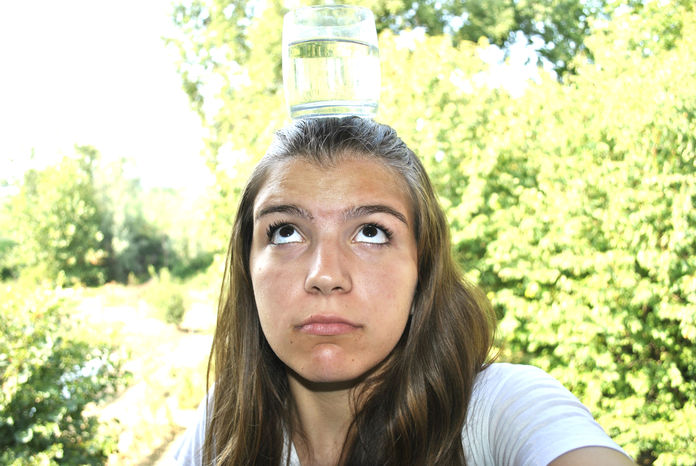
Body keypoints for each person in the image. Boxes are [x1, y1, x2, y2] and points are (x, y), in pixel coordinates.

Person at [173, 117, 634, 465]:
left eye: (371, 232)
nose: (326, 274)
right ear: (248, 269)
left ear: (422, 271)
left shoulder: (499, 409)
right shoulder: (226, 426)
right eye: (286, 232)